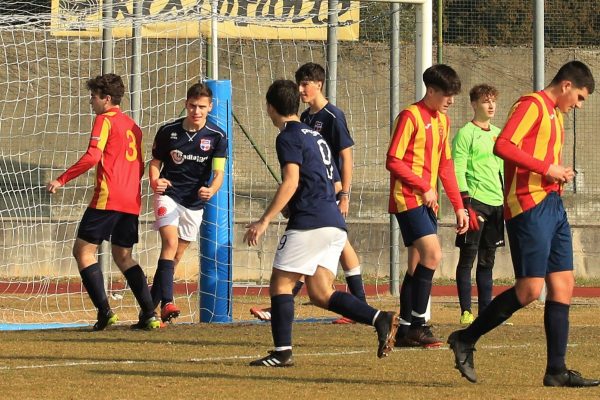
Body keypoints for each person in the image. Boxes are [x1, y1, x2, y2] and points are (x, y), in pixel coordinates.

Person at [448, 60, 599, 387]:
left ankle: (556, 370)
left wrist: (557, 172)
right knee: (530, 289)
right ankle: (465, 338)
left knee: (564, 285)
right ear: (566, 86)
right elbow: (503, 146)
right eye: (580, 98)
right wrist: (547, 168)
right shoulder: (531, 105)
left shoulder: (556, 114)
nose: (579, 105)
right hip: (528, 206)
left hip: (553, 204)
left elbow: (538, 158)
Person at [244, 79, 398, 367]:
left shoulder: (288, 136)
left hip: (311, 222)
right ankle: (380, 318)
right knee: (320, 293)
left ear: (269, 107)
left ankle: (281, 352)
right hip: (332, 221)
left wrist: (264, 220)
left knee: (280, 284)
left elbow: (291, 181)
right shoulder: (314, 135)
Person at [249, 62, 367, 325]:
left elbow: (345, 157)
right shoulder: (304, 120)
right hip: (316, 193)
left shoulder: (332, 116)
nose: (301, 89)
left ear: (319, 84)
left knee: (334, 245)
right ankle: (360, 308)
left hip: (328, 192)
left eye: (306, 84)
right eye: (298, 84)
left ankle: (359, 302)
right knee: (317, 262)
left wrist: (344, 194)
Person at [47, 73, 160, 330]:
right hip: (131, 201)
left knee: (83, 251)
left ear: (106, 99)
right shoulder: (134, 126)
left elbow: (91, 157)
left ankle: (105, 312)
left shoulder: (104, 120)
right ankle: (150, 313)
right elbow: (139, 165)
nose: (91, 102)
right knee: (123, 256)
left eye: (93, 97)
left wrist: (61, 179)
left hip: (108, 199)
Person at [386, 64, 469, 348]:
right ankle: (418, 326)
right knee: (433, 255)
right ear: (430, 91)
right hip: (407, 199)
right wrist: (424, 186)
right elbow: (393, 160)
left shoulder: (443, 121)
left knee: (417, 264)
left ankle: (405, 328)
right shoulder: (410, 116)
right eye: (446, 95)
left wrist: (459, 205)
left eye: (453, 95)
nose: (451, 100)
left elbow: (446, 165)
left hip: (427, 202)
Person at [149, 82, 227, 323]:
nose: (196, 111)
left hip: (194, 204)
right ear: (186, 104)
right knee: (170, 243)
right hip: (169, 195)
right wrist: (155, 181)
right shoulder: (168, 131)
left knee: (176, 257)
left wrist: (211, 190)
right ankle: (169, 302)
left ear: (210, 107)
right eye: (192, 106)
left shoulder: (217, 137)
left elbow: (219, 173)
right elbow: (154, 162)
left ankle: (148, 310)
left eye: (202, 107)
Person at [451, 84, 505, 326]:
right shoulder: (465, 134)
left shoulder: (499, 133)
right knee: (468, 258)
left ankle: (486, 312)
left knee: (487, 261)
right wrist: (465, 204)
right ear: (474, 104)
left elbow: (504, 168)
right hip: (475, 204)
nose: (491, 105)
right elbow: (457, 170)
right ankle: (465, 311)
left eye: (493, 100)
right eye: (485, 101)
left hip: (497, 204)